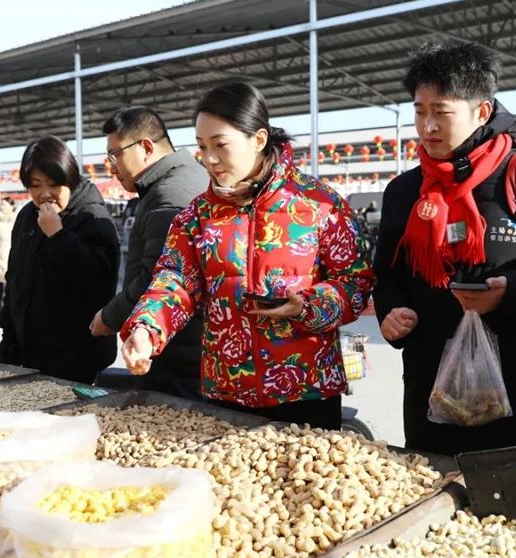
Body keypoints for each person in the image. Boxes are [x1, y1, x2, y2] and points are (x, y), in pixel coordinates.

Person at [373, 41, 516, 456]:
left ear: (482, 112)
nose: (427, 127)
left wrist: (512, 292)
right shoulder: (404, 191)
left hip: (515, 394)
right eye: (419, 111)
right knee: (430, 498)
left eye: (441, 112)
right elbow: (388, 274)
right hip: (432, 393)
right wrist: (392, 312)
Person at [120, 83, 374, 429]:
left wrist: (308, 305)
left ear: (258, 139)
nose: (209, 158)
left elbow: (355, 283)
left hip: (307, 390)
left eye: (220, 145)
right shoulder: (197, 215)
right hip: (226, 391)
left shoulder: (319, 203)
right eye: (201, 146)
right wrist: (146, 329)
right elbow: (174, 281)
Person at [89, 106, 207, 397]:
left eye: (115, 154)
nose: (111, 167)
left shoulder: (169, 196)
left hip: (180, 349)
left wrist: (110, 316)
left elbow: (157, 277)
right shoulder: (183, 179)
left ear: (145, 147)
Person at [0, 136, 120, 383]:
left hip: (76, 358)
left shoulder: (93, 217)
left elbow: (99, 284)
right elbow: (16, 279)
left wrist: (57, 235)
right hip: (28, 352)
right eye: (35, 185)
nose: (44, 194)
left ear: (70, 179)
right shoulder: (27, 216)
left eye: (53, 184)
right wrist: (9, 342)